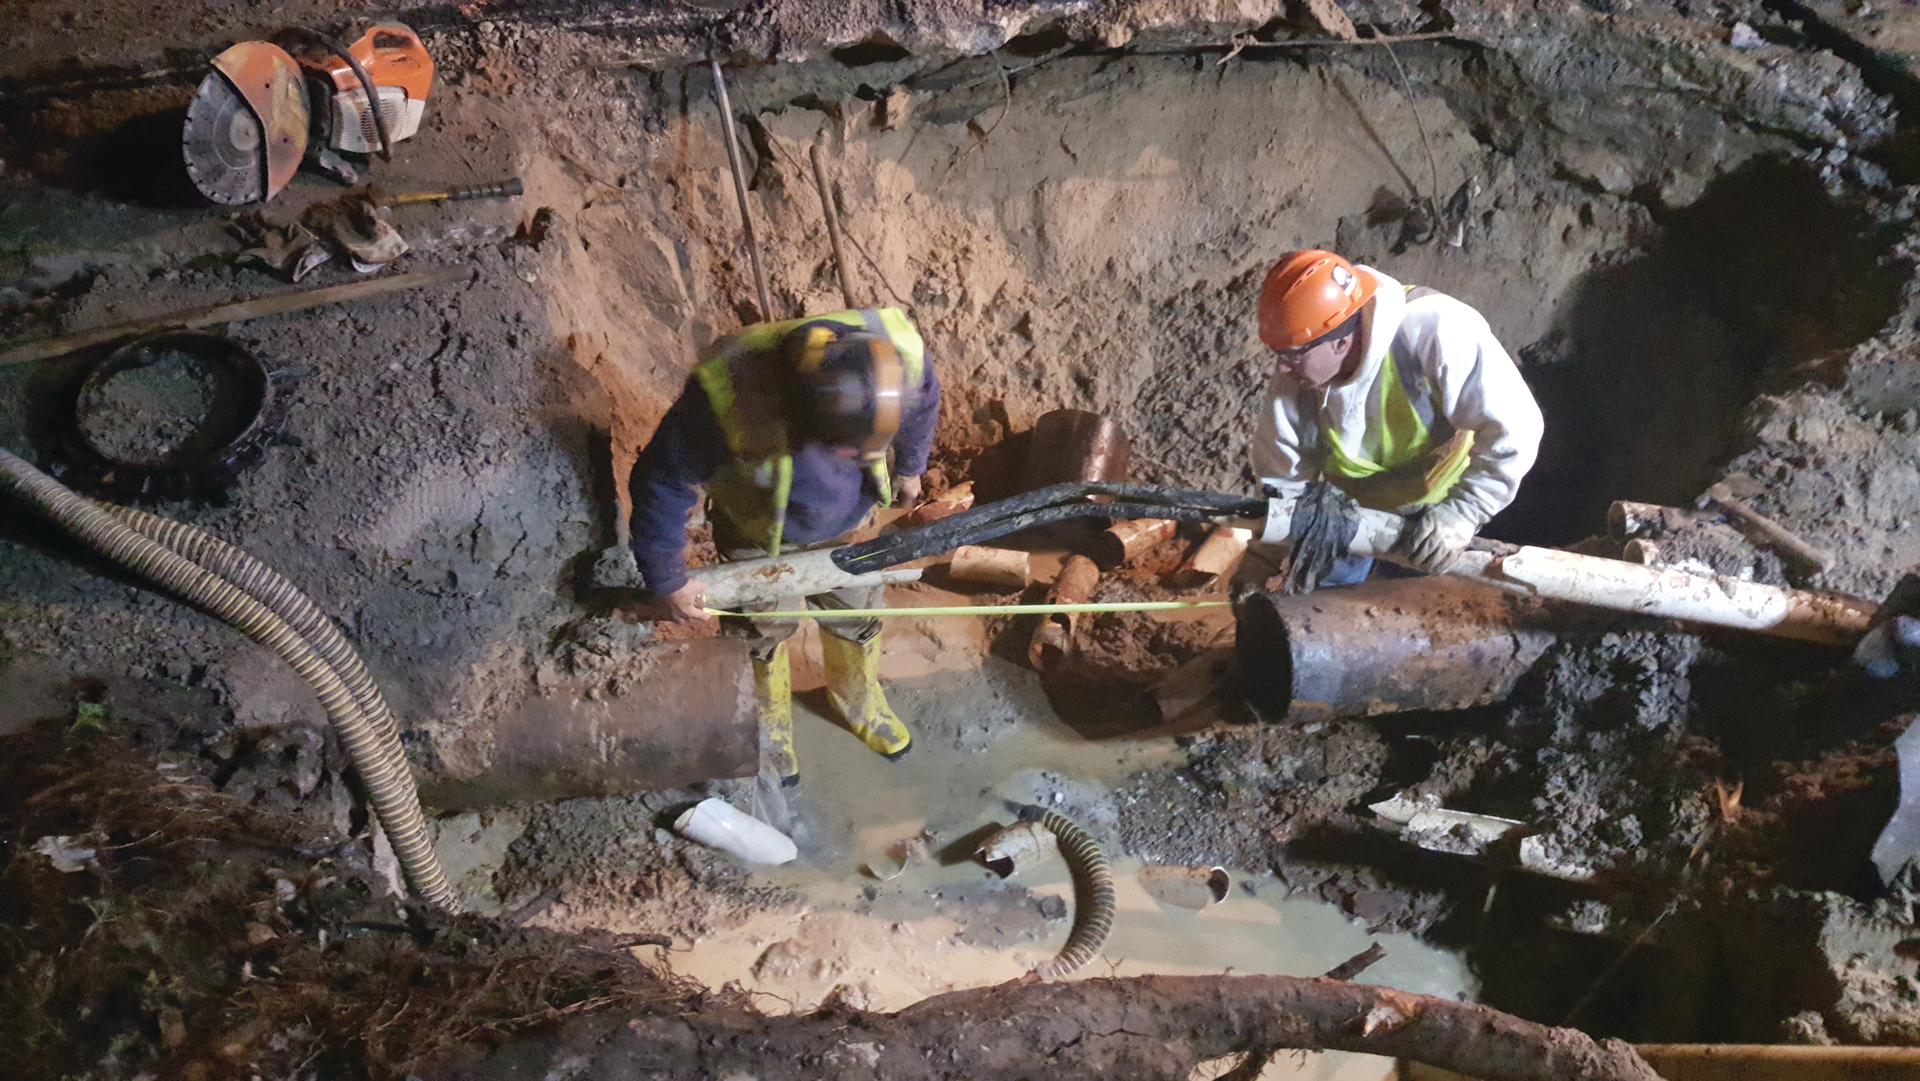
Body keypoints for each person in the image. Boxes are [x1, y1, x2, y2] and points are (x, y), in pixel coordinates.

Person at [629, 307, 940, 787]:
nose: (858, 458)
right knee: (763, 626)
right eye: (845, 450)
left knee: (856, 611)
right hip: (758, 533)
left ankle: (858, 699)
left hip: (850, 523)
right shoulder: (727, 395)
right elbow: (662, 482)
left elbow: (923, 402)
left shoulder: (899, 357)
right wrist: (667, 578)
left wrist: (910, 465)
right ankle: (770, 722)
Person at [1252, 249, 1542, 582]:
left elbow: (1515, 429)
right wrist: (1277, 544)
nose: (1280, 367)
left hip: (1441, 512)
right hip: (1353, 517)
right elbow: (1282, 476)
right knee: (1324, 612)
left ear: (1339, 342)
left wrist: (1462, 513)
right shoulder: (1297, 380)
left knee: (1422, 614)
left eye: (1291, 354)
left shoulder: (1432, 330)